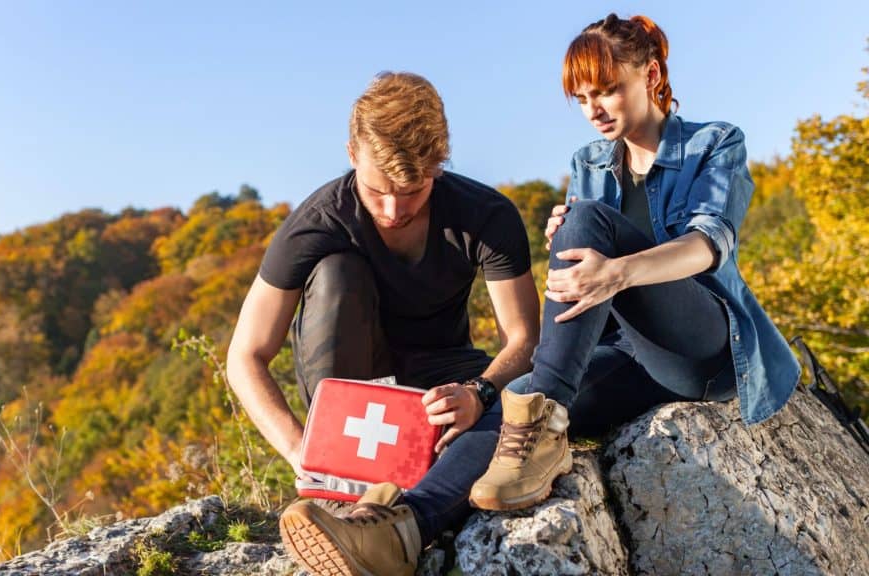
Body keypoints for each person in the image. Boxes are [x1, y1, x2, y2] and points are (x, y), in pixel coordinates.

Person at [469, 13, 801, 510]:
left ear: (649, 74)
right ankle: (407, 518)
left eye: (605, 90)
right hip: (628, 353)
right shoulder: (590, 162)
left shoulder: (714, 143)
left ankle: (546, 413)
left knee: (586, 222)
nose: (593, 111)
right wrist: (566, 242)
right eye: (581, 100)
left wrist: (615, 269)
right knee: (507, 405)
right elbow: (582, 286)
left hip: (702, 347)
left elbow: (707, 245)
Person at [226, 72, 541, 576]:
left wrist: (479, 392)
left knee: (530, 396)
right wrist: (298, 450)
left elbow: (525, 339)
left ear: (439, 164)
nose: (393, 210)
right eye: (377, 191)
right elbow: (245, 356)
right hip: (352, 388)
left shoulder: (486, 215)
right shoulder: (317, 221)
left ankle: (390, 522)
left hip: (442, 382)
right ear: (352, 153)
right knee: (336, 273)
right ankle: (345, 493)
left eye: (413, 191)